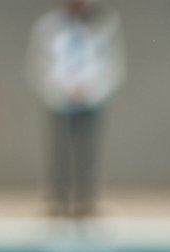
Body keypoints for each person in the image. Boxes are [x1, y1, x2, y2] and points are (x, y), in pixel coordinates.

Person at [26, 0, 124, 219]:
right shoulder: (49, 27)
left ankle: (85, 201)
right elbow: (38, 64)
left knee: (87, 152)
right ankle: (59, 201)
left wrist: (92, 89)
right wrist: (59, 89)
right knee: (60, 152)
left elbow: (112, 64)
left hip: (91, 100)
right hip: (59, 102)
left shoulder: (104, 25)